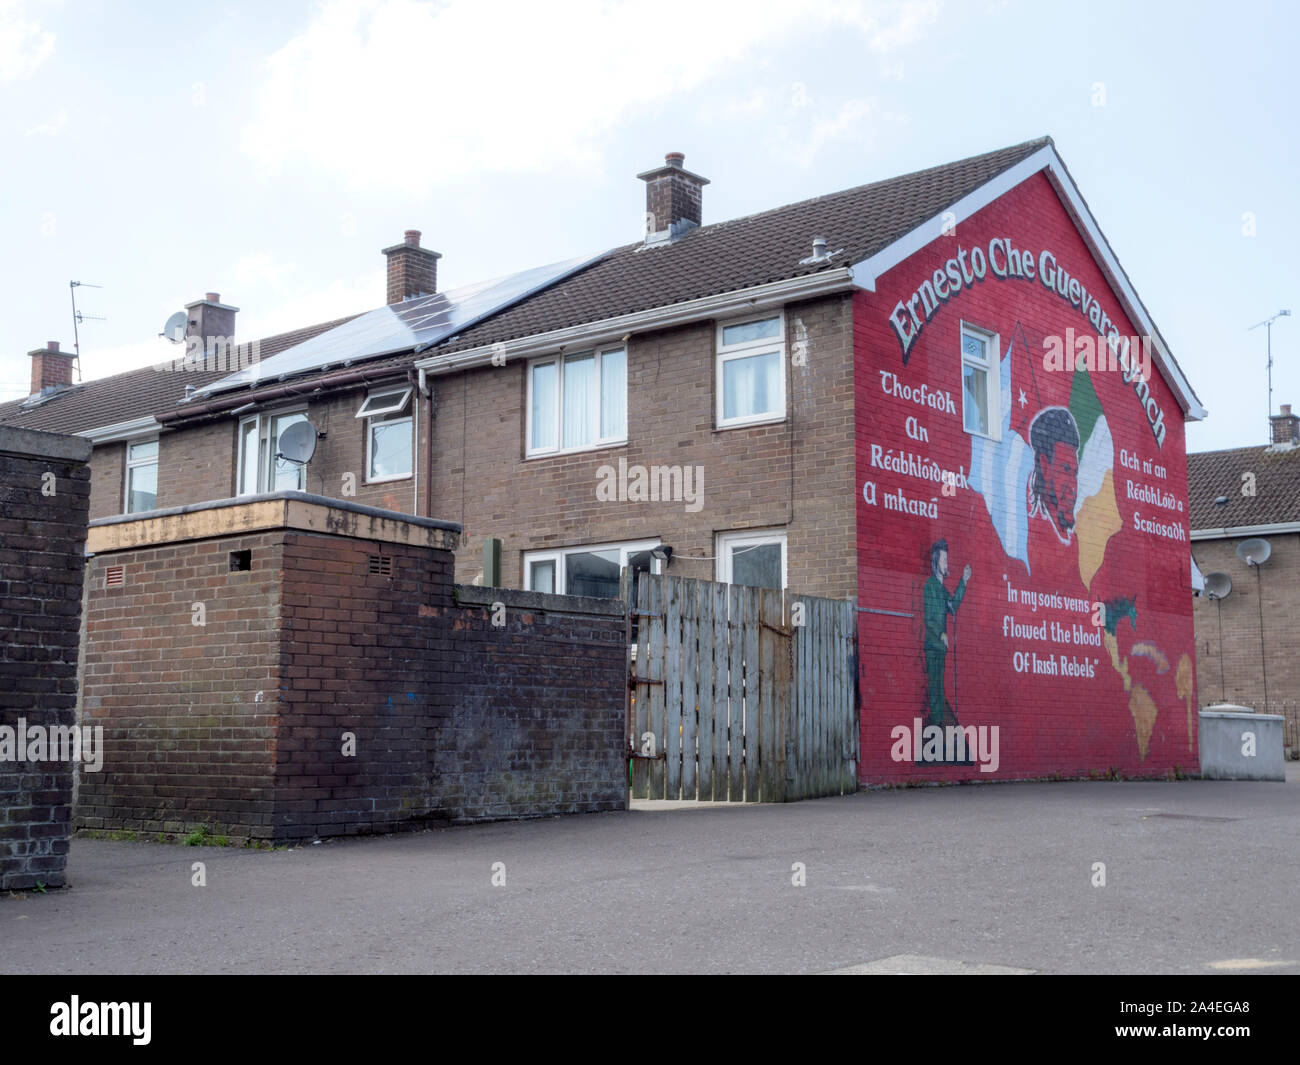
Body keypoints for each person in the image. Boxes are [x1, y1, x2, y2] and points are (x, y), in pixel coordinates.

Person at [923, 539, 971, 733]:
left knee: (939, 685)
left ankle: (939, 724)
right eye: (944, 560)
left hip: (940, 647)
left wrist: (964, 581)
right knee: (935, 687)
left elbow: (952, 607)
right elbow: (930, 618)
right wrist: (941, 632)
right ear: (936, 562)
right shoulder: (930, 587)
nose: (946, 564)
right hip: (933, 646)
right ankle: (936, 726)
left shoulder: (941, 589)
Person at [1027, 406, 1080, 544]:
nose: (1072, 487)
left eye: (1074, 474)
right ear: (1045, 466)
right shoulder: (1035, 536)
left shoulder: (1071, 544)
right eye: (1065, 470)